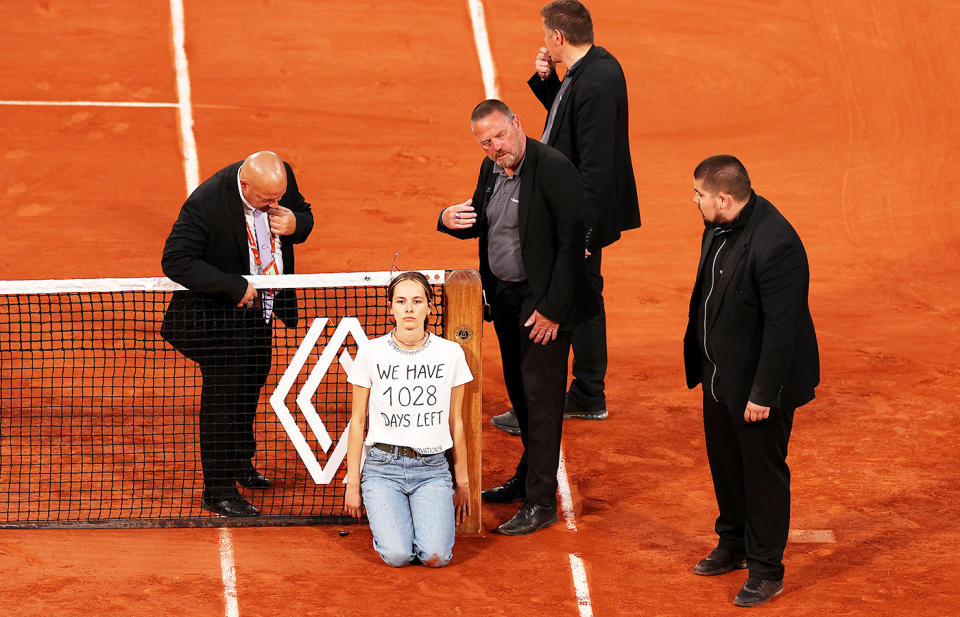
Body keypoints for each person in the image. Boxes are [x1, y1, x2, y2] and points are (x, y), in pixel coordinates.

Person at [438, 99, 594, 535]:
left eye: (500, 136)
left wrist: (552, 311)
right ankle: (529, 475)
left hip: (541, 304)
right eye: (485, 142)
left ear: (517, 124)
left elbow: (572, 247)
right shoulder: (491, 169)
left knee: (542, 400)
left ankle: (541, 501)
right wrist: (448, 219)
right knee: (521, 395)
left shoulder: (554, 170)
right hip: (505, 300)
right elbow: (484, 220)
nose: (494, 147)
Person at [491, 0, 640, 436]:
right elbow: (568, 119)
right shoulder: (592, 68)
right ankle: (589, 394)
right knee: (586, 294)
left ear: (558, 38)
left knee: (563, 294)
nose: (543, 40)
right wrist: (547, 82)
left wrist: (584, 233)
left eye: (544, 34)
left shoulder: (595, 81)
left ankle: (554, 399)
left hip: (580, 213)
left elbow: (593, 167)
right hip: (580, 209)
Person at [684, 155, 819, 607]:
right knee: (725, 464)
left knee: (762, 475)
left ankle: (766, 569)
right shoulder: (718, 226)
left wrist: (763, 394)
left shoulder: (776, 243)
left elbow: (784, 330)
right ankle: (734, 543)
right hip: (720, 376)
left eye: (699, 194)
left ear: (723, 198)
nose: (695, 201)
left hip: (761, 386)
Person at [161, 151, 314, 517]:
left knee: (252, 380)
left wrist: (297, 224)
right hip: (217, 320)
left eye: (279, 197)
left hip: (259, 314)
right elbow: (175, 260)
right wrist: (232, 286)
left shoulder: (277, 179)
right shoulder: (206, 203)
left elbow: (304, 215)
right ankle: (217, 489)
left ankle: (240, 463)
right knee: (223, 401)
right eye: (267, 200)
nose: (275, 204)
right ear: (245, 185)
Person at [343, 271, 472, 567]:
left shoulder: (450, 354)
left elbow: (457, 422)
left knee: (436, 557)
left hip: (433, 469)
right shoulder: (370, 353)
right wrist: (353, 483)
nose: (409, 308)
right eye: (401, 301)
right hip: (382, 469)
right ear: (391, 308)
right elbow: (358, 421)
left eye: (417, 300)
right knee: (398, 555)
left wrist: (462, 482)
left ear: (430, 306)